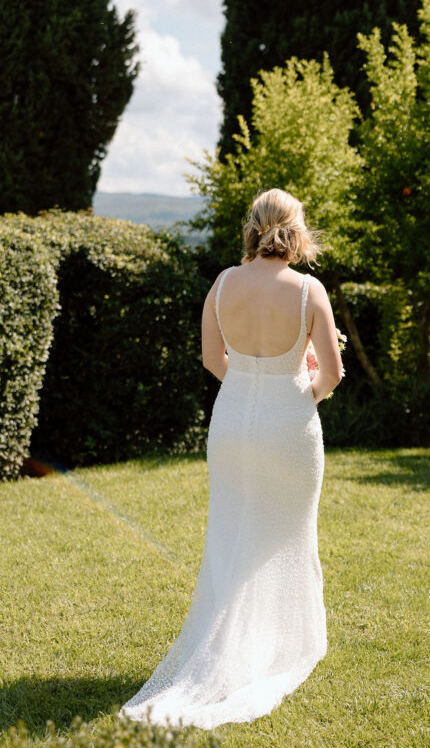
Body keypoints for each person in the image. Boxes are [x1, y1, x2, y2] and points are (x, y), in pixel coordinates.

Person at [121, 189, 344, 727]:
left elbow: (210, 358)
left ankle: (228, 649)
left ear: (254, 228)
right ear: (296, 230)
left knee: (232, 534)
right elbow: (331, 375)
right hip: (289, 426)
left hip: (230, 422)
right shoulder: (309, 290)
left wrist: (249, 386)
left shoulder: (223, 283)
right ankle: (277, 649)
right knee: (288, 535)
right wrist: (296, 394)